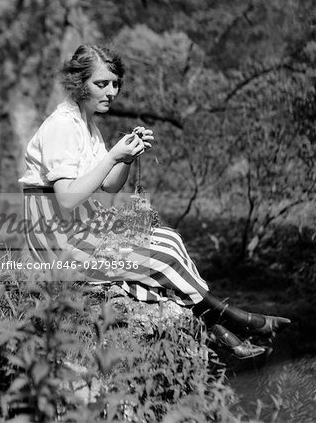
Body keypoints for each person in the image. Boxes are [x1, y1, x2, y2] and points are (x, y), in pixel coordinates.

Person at [19, 45, 290, 359]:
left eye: (115, 83)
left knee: (170, 240)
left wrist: (126, 156)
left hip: (77, 227)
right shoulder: (62, 127)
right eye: (101, 84)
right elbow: (66, 197)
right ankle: (237, 321)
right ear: (79, 83)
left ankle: (221, 331)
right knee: (160, 255)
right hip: (56, 239)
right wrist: (113, 155)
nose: (111, 91)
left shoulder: (87, 124)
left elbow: (108, 185)